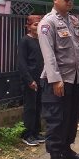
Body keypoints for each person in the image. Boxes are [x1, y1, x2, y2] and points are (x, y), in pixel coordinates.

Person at [38, 0, 79, 159]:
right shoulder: (47, 23)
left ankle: (67, 149)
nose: (70, 2)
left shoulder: (74, 21)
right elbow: (48, 54)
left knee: (71, 117)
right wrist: (55, 80)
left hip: (75, 78)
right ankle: (56, 158)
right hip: (58, 81)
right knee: (57, 119)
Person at [17, 15, 46, 147]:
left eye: (39, 24)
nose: (37, 26)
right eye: (35, 24)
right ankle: (27, 134)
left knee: (38, 106)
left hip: (40, 79)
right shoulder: (25, 41)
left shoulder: (41, 40)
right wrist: (29, 80)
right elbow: (21, 63)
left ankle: (36, 132)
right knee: (30, 107)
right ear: (28, 27)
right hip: (30, 80)